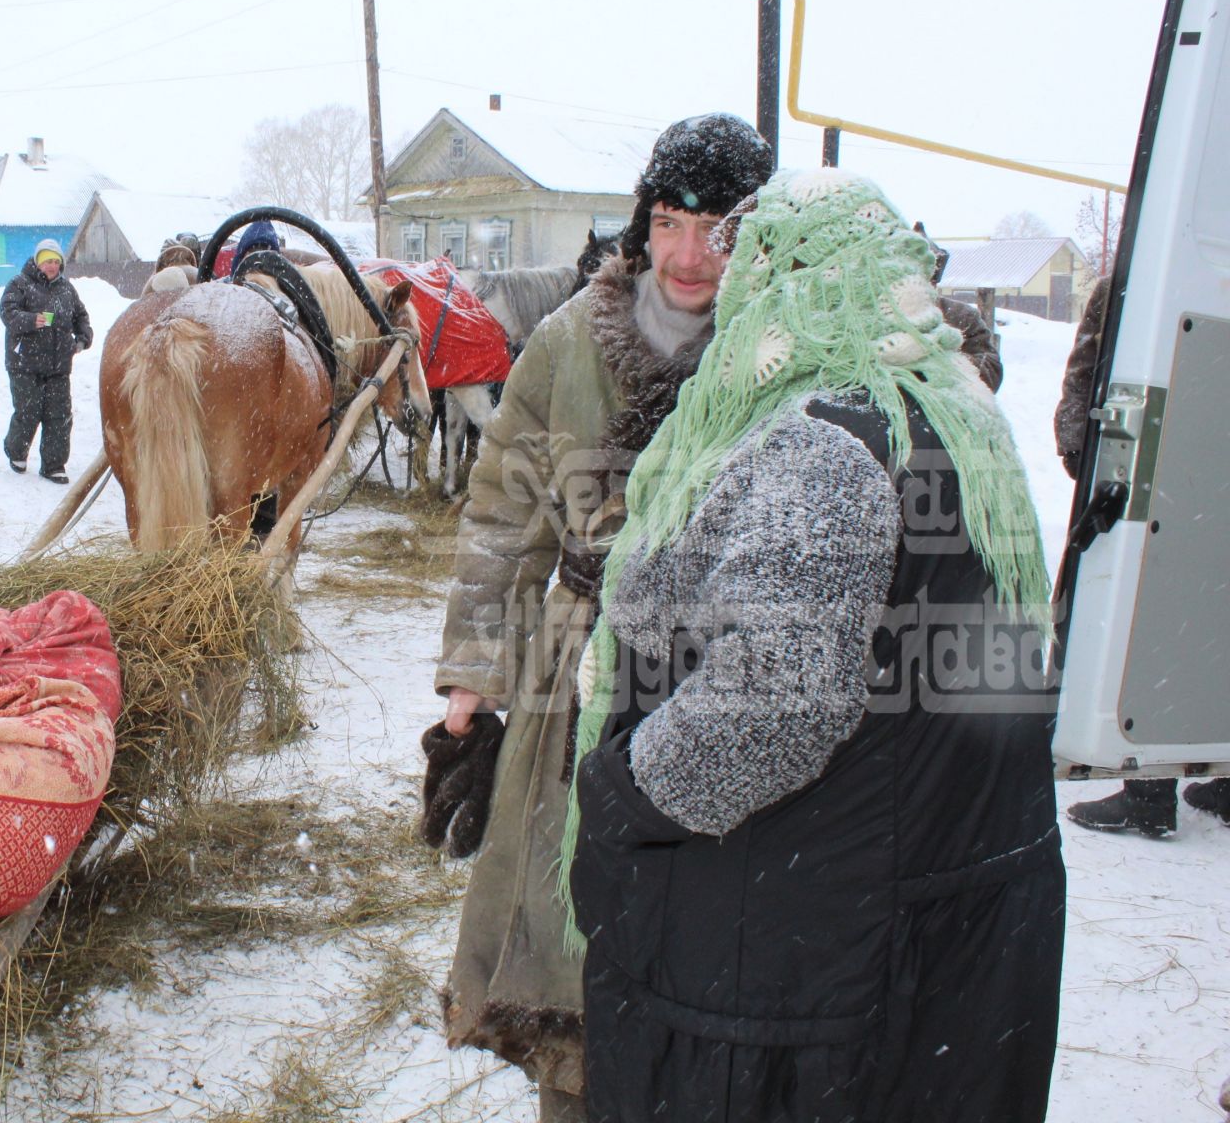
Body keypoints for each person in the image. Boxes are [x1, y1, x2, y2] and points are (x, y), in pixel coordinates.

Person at [568, 169, 1063, 1123]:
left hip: (795, 965)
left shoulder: (828, 439)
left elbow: (771, 708)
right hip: (943, 928)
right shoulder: (957, 414)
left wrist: (621, 794)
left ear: (791, 282)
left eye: (752, 267)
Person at [429, 113, 774, 1121]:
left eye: (718, 228)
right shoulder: (573, 338)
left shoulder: (783, 351)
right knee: (568, 902)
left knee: (716, 917)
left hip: (725, 671)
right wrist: (473, 670)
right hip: (580, 658)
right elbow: (503, 510)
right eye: (669, 221)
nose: (687, 254)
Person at [1054, 285, 1230, 835]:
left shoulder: (1142, 274)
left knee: (1153, 604)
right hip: (1201, 455)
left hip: (1171, 462)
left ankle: (1149, 795)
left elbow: (1088, 366)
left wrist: (1078, 448)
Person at [0, 238, 91, 484]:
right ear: (38, 262)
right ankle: (16, 451)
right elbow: (8, 313)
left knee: (59, 416)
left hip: (58, 364)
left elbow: (81, 316)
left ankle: (53, 465)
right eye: (47, 261)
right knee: (28, 411)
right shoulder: (20, 284)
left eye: (55, 261)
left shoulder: (67, 289)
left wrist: (82, 338)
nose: (51, 266)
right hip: (24, 363)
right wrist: (31, 320)